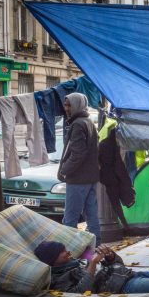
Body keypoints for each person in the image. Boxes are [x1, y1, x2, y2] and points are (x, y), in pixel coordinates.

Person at [58, 92, 101, 245]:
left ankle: (70, 251)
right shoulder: (88, 121)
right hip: (90, 177)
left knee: (70, 219)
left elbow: (78, 154)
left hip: (78, 179)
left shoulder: (77, 124)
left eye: (69, 105)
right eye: (66, 104)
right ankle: (96, 250)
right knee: (92, 217)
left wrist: (64, 169)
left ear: (77, 105)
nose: (66, 108)